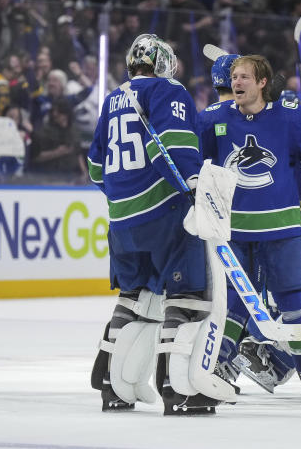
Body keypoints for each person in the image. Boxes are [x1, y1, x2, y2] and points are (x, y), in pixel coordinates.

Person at [87, 34, 231, 415]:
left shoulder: (112, 98)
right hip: (164, 214)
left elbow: (95, 168)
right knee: (188, 298)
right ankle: (178, 389)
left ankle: (111, 384)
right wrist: (194, 187)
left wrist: (125, 195)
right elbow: (177, 145)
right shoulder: (169, 90)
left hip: (121, 222)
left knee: (136, 299)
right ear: (164, 62)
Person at [199, 54, 301, 404]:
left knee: (293, 299)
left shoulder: (290, 117)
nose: (237, 82)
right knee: (232, 303)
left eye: (244, 77)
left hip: (281, 230)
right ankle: (214, 366)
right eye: (233, 76)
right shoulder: (214, 119)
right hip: (234, 233)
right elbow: (192, 159)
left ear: (262, 83)